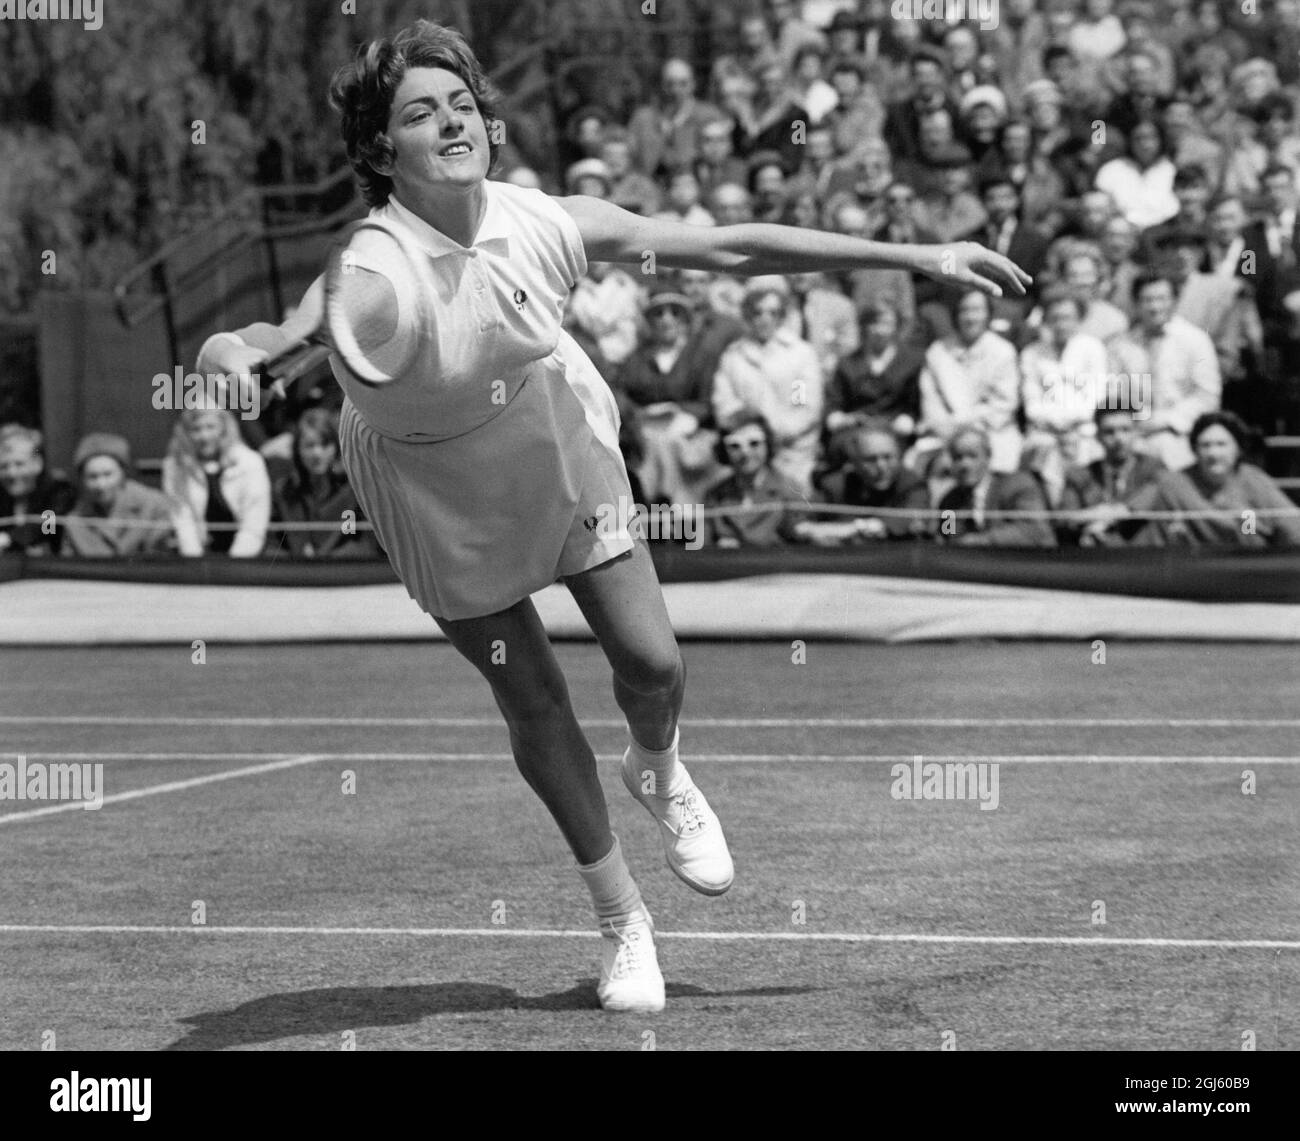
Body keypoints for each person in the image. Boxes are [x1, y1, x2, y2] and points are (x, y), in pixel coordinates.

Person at [197, 20, 1028, 1015]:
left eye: (461, 104)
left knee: (654, 663)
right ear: (381, 151)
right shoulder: (375, 273)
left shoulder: (548, 220)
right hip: (432, 490)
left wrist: (921, 252)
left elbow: (725, 250)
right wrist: (227, 361)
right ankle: (622, 918)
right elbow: (265, 336)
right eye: (420, 113)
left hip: (549, 437)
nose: (452, 122)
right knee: (534, 697)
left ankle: (661, 768)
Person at [1099, 411, 1300, 547]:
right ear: (1195, 450)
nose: (1213, 453)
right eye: (1205, 445)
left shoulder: (1256, 482)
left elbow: (1293, 528)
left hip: (1249, 572)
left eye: (1221, 444)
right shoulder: (1172, 482)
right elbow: (1125, 511)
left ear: (1238, 449)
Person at [712, 284, 824, 496]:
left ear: (782, 317)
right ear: (747, 315)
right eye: (757, 312)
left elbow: (803, 404)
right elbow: (724, 401)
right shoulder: (733, 356)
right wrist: (749, 428)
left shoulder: (799, 355)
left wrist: (775, 432)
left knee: (792, 493)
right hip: (746, 444)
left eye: (773, 313)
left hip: (791, 448)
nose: (764, 319)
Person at [1107, 271, 1221, 469]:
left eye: (1161, 299)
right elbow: (1111, 393)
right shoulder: (1120, 346)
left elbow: (1208, 397)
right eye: (1147, 300)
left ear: (1174, 301)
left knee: (1166, 450)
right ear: (1135, 304)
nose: (1154, 307)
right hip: (1131, 433)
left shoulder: (1195, 340)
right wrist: (1131, 423)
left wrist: (1166, 421)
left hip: (1180, 432)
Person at [1019, 288, 1109, 506]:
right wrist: (1058, 424)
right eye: (1055, 318)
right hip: (1045, 432)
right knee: (1045, 453)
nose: (1061, 324)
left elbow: (1095, 399)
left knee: (1083, 452)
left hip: (1084, 431)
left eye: (1067, 317)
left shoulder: (1093, 348)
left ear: (1079, 318)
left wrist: (1068, 424)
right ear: (1046, 319)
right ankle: (1057, 518)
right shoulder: (1032, 353)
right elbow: (1032, 405)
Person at [268, 407, 380, 560]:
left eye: (325, 444)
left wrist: (325, 560)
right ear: (298, 450)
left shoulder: (354, 489)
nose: (317, 453)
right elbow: (272, 545)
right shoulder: (283, 491)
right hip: (294, 575)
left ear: (336, 447)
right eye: (309, 445)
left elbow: (367, 544)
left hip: (343, 574)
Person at [163, 407, 271, 558]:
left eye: (210, 427)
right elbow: (184, 523)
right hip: (198, 562)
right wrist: (197, 567)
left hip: (247, 559)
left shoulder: (251, 463)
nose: (204, 436)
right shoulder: (174, 467)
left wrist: (233, 568)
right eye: (196, 429)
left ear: (224, 429)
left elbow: (254, 524)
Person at [1061, 405, 1166, 545]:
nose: (1119, 438)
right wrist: (1095, 516)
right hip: (1095, 557)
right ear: (1097, 436)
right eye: (1109, 432)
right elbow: (1064, 518)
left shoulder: (1154, 468)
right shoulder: (1080, 475)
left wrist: (1106, 517)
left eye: (1125, 430)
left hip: (1146, 555)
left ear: (1136, 432)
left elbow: (1148, 501)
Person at [937, 425, 1057, 548]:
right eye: (958, 457)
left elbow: (1036, 531)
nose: (965, 464)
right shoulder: (949, 502)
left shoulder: (1018, 485)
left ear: (988, 457)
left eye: (972, 456)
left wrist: (981, 541)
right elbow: (947, 539)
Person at [703, 414, 811, 548]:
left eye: (754, 443)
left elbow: (801, 539)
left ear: (768, 445)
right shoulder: (715, 495)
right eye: (735, 446)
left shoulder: (789, 490)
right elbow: (703, 542)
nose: (745, 453)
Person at [61, 433, 174, 557]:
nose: (101, 485)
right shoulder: (75, 523)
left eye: (108, 474)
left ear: (122, 473)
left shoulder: (154, 506)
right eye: (93, 477)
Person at [815, 423, 931, 543]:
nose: (881, 466)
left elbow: (916, 516)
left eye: (887, 457)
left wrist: (865, 527)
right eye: (871, 459)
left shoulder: (913, 484)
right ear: (854, 462)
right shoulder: (835, 486)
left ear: (899, 456)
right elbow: (802, 525)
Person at [0, 424, 73, 556]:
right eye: (4, 466)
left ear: (37, 463)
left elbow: (47, 527)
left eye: (19, 464)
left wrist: (9, 539)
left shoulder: (58, 491)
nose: (11, 473)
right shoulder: (3, 496)